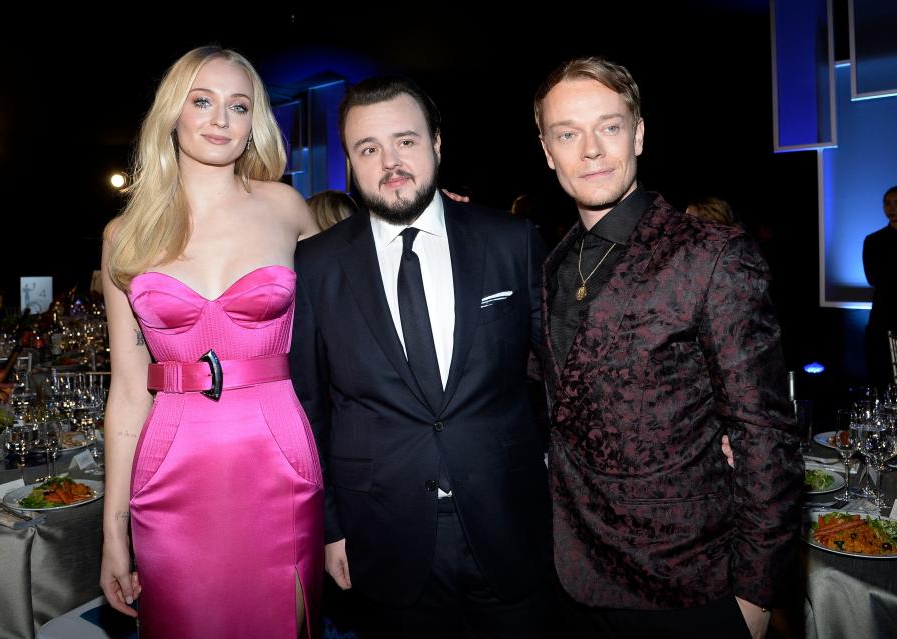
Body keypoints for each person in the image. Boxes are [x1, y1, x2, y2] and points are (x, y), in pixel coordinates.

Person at [535, 57, 801, 639]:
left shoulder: (711, 255)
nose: (590, 150)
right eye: (567, 133)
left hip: (688, 586)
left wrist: (756, 595)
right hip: (570, 582)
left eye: (608, 126)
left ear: (638, 132)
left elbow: (766, 434)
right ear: (547, 150)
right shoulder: (552, 264)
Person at [290, 76, 552, 638]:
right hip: (381, 533)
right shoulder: (315, 265)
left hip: (511, 523)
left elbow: (563, 379)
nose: (390, 162)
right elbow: (307, 409)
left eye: (405, 141)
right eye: (368, 149)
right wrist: (330, 527)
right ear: (351, 165)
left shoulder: (510, 240)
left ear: (436, 143)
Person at [99, 46, 322, 638]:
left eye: (239, 105)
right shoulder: (125, 234)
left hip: (278, 457)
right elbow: (125, 394)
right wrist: (111, 534)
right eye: (203, 101)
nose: (221, 119)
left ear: (255, 125)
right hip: (171, 464)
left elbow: (362, 295)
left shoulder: (286, 208)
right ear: (173, 113)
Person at [862, 185, 897, 389]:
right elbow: (873, 277)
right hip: (883, 316)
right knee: (881, 377)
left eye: (896, 203)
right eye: (887, 203)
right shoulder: (874, 240)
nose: (891, 208)